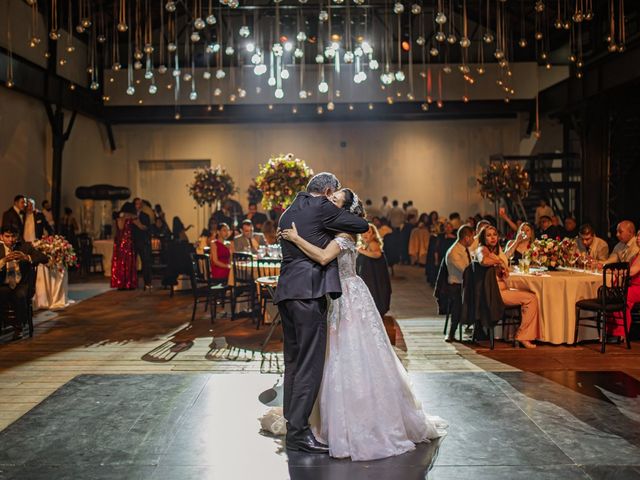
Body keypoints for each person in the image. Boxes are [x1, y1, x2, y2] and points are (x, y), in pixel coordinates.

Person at [277, 187, 446, 460]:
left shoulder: (344, 234)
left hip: (348, 296)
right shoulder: (331, 228)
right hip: (333, 295)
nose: (328, 202)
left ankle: (357, 421)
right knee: (328, 356)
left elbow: (322, 257)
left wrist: (296, 238)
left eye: (335, 200)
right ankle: (313, 416)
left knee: (351, 353)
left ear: (344, 209)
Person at [272, 173, 370, 454]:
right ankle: (300, 433)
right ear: (327, 191)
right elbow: (361, 224)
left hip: (287, 292)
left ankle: (293, 426)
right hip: (308, 294)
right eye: (333, 194)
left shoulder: (289, 210)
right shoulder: (322, 206)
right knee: (309, 364)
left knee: (293, 362)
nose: (333, 200)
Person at [476, 225, 539, 349]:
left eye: (494, 234)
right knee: (531, 299)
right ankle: (522, 336)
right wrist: (498, 262)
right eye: (488, 235)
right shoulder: (482, 249)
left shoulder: (496, 249)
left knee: (530, 293)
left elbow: (503, 265)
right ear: (483, 238)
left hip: (502, 289)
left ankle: (516, 334)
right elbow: (483, 261)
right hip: (495, 293)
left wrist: (502, 271)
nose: (492, 238)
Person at [0, 225, 49, 339]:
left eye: (13, 236)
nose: (11, 239)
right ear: (1, 237)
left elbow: (44, 258)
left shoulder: (25, 246)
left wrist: (26, 257)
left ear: (17, 236)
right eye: (7, 236)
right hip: (4, 283)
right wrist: (3, 261)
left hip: (21, 283)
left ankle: (19, 327)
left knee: (20, 295)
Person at [606, 230, 640, 340]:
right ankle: (611, 331)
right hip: (632, 285)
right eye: (638, 235)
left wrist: (615, 272)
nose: (638, 238)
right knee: (614, 294)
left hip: (638, 287)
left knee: (621, 298)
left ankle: (621, 333)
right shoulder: (637, 253)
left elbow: (632, 271)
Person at [444, 225, 475, 342]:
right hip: (456, 285)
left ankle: (479, 329)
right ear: (466, 238)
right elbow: (466, 270)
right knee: (460, 302)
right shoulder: (454, 252)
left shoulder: (465, 249)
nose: (473, 240)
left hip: (465, 283)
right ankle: (452, 332)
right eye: (472, 237)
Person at [356, 223, 392, 317]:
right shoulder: (367, 245)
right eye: (363, 232)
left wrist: (361, 251)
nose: (365, 234)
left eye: (368, 232)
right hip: (371, 277)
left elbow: (377, 254)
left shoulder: (373, 243)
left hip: (374, 278)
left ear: (373, 234)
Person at [111, 203, 139, 290]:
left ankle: (121, 283)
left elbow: (117, 231)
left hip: (119, 242)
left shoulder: (119, 218)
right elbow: (140, 226)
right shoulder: (131, 218)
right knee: (128, 262)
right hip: (127, 243)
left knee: (120, 263)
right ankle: (128, 283)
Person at [133, 198, 153, 290]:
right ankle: (132, 282)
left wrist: (139, 224)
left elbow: (147, 228)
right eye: (137, 203)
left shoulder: (145, 215)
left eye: (140, 203)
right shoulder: (131, 216)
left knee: (145, 262)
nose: (139, 205)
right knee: (132, 263)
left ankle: (147, 282)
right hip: (133, 241)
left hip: (143, 241)